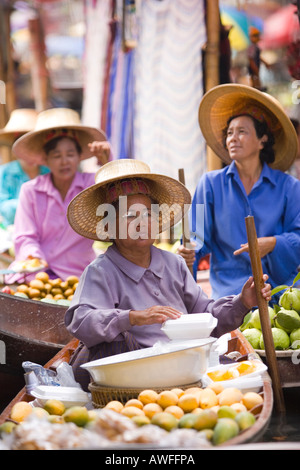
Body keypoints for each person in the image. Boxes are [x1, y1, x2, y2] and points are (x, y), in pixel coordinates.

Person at [64, 158, 271, 390]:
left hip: (186, 371)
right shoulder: (100, 272)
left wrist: (243, 302)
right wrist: (132, 317)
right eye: (130, 216)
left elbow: (206, 316)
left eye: (147, 214)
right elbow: (81, 321)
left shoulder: (174, 264)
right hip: (135, 380)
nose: (141, 223)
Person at [178, 84, 300, 301]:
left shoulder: (289, 187)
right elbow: (193, 238)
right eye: (229, 133)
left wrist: (273, 243)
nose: (232, 138)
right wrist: (187, 252)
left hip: (282, 296)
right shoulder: (210, 184)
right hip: (230, 298)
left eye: (242, 132)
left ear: (262, 140)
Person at [6, 107, 110, 283]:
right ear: (45, 159)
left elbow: (119, 192)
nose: (64, 161)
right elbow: (25, 236)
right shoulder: (30, 190)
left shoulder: (92, 185)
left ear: (79, 157)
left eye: (70, 154)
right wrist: (34, 259)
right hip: (36, 274)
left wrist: (107, 161)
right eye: (56, 155)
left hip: (81, 275)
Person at [0, 109, 50, 227]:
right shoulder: (4, 173)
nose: (30, 155)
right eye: (26, 149)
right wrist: (32, 200)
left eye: (34, 148)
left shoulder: (49, 172)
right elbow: (4, 210)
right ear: (16, 150)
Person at [247, 26, 269, 91]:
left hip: (256, 65)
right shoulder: (252, 47)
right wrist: (254, 67)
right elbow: (250, 58)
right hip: (253, 66)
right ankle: (255, 88)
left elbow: (258, 57)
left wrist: (265, 63)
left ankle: (258, 87)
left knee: (256, 76)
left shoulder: (255, 47)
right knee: (254, 77)